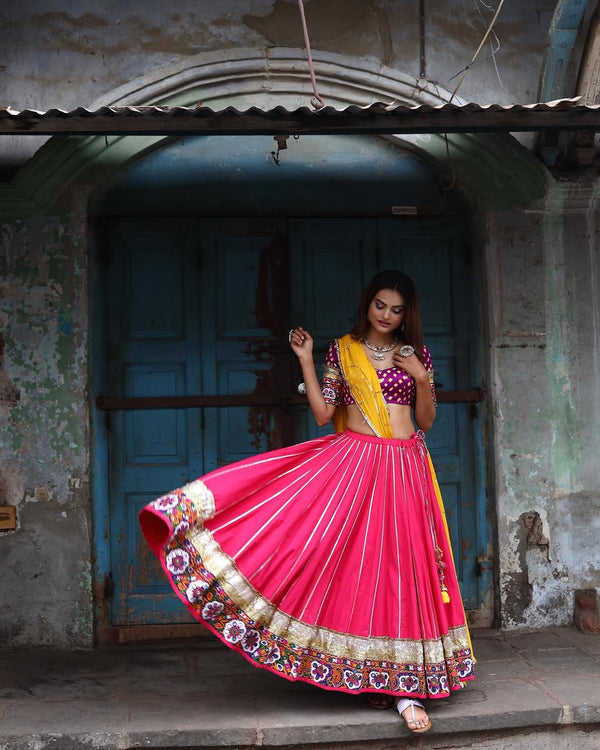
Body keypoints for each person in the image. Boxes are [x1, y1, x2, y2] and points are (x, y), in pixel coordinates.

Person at [139, 269, 475, 735]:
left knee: (407, 568)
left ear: (407, 315)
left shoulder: (414, 355)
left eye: (397, 310)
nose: (387, 315)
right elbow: (322, 414)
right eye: (381, 305)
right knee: (355, 564)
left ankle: (404, 687)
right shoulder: (344, 349)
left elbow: (426, 421)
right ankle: (378, 678)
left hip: (406, 469)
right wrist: (305, 359)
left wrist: (420, 377)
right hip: (357, 465)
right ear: (367, 304)